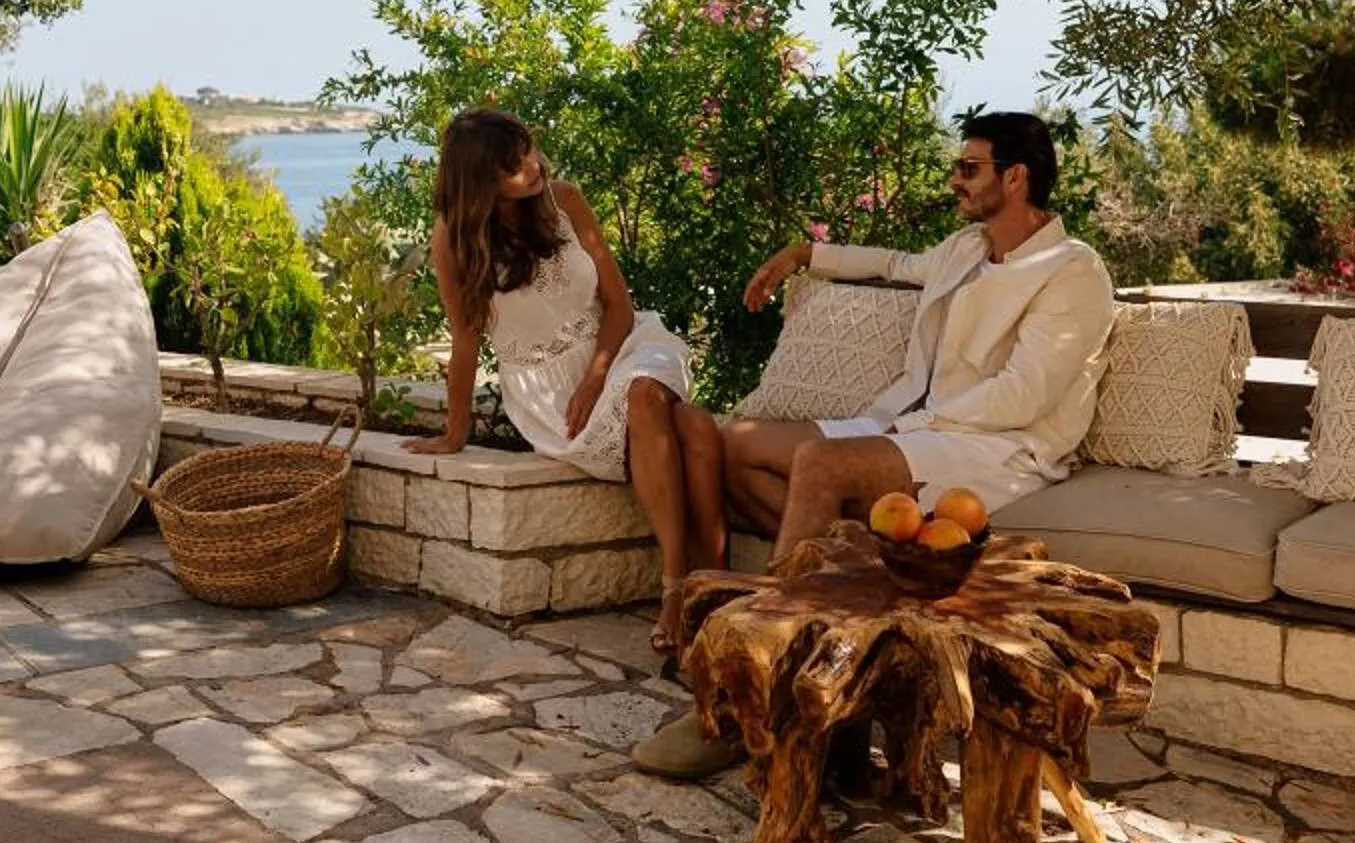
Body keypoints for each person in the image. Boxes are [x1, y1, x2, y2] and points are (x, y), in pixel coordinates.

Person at [632, 109, 1116, 777]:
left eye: (969, 168)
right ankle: (846, 595)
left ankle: (754, 689)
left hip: (1001, 445)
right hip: (920, 426)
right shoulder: (968, 249)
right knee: (729, 445)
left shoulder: (1071, 271)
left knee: (821, 465)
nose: (955, 180)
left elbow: (1022, 398)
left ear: (1016, 178)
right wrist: (805, 254)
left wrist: (907, 427)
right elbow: (895, 264)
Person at [410, 108, 727, 659]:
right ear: (480, 180)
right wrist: (453, 434)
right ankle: (717, 587)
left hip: (624, 347)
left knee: (644, 393)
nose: (532, 166)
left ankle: (675, 586)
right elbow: (465, 341)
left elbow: (619, 304)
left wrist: (597, 377)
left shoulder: (565, 201)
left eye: (529, 150)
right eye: (514, 164)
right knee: (695, 427)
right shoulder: (455, 240)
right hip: (546, 394)